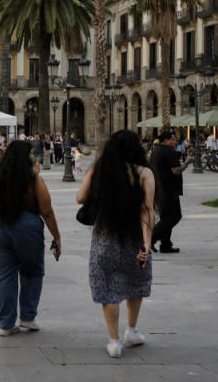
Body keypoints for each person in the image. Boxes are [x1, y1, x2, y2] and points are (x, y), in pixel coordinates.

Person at [77, 129, 158, 358]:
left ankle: (114, 342)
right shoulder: (145, 173)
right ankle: (131, 330)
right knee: (135, 281)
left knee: (109, 287)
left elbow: (80, 198)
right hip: (134, 237)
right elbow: (148, 211)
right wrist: (147, 244)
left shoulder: (101, 170)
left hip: (105, 236)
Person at [0, 140, 61, 336]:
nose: (33, 156)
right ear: (25, 156)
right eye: (30, 153)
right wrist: (56, 236)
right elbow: (47, 211)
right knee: (32, 272)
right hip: (27, 227)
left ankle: (6, 324)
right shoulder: (33, 179)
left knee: (4, 275)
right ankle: (28, 318)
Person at [149, 129, 186, 254]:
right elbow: (176, 170)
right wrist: (187, 163)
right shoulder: (169, 151)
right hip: (169, 189)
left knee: (166, 216)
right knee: (174, 216)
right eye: (173, 139)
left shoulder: (155, 151)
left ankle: (165, 245)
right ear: (166, 140)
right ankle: (151, 238)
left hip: (158, 189)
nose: (175, 142)